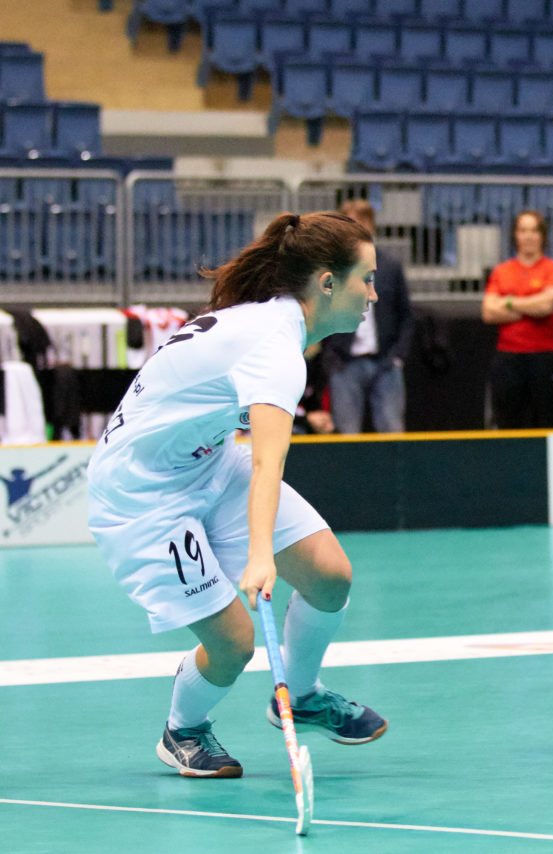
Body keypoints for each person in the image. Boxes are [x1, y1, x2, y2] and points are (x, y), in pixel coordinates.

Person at [87, 212, 388, 778]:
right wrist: (259, 556)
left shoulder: (274, 322)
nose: (374, 294)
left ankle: (300, 696)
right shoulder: (274, 348)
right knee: (234, 643)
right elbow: (268, 462)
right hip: (144, 493)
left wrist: (260, 550)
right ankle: (182, 730)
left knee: (330, 577)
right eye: (366, 279)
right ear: (327, 282)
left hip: (207, 461)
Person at [322, 199, 415, 433]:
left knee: (392, 432)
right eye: (348, 223)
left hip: (385, 363)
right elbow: (321, 313)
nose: (355, 229)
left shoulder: (390, 266)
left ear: (371, 226)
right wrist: (331, 355)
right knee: (347, 435)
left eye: (361, 222)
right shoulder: (332, 269)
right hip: (345, 364)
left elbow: (406, 315)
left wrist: (397, 356)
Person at [480, 210, 553, 428]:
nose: (528, 236)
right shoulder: (501, 271)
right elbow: (488, 312)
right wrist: (531, 304)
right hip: (509, 357)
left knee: (547, 421)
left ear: (542, 236)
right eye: (523, 230)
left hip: (545, 356)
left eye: (534, 231)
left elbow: (547, 306)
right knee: (507, 423)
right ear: (515, 235)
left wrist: (508, 301)